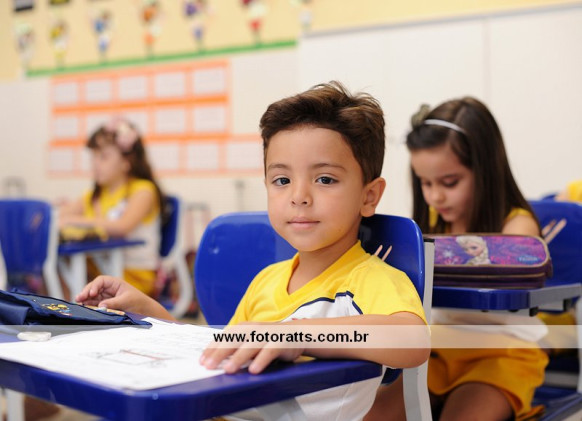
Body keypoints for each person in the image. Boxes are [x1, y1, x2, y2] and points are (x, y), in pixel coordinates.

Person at [76, 82, 430, 420]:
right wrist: (150, 315)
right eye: (282, 180)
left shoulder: (371, 278)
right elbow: (218, 353)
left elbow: (413, 339)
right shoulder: (266, 280)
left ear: (369, 196)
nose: (299, 196)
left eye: (325, 179)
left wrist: (295, 334)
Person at [365, 97, 548, 421]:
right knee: (370, 415)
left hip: (502, 355)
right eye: (425, 183)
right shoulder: (431, 225)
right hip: (439, 353)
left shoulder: (518, 227)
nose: (435, 196)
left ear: (486, 171)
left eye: (449, 183)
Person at [58, 116, 165, 296]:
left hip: (135, 276)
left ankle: (69, 309)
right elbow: (60, 215)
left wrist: (74, 220)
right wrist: (52, 212)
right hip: (102, 269)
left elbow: (122, 226)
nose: (95, 164)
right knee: (57, 265)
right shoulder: (94, 195)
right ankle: (60, 310)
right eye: (93, 157)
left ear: (126, 161)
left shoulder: (143, 190)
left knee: (74, 274)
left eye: (103, 157)